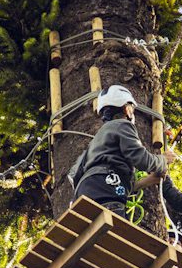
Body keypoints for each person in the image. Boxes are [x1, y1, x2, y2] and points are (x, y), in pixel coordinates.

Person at [69, 85, 176, 217]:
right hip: (106, 190)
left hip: (84, 194)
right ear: (127, 109)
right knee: (115, 230)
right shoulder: (123, 125)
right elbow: (142, 160)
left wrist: (150, 180)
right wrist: (163, 160)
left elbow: (118, 183)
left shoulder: (96, 144)